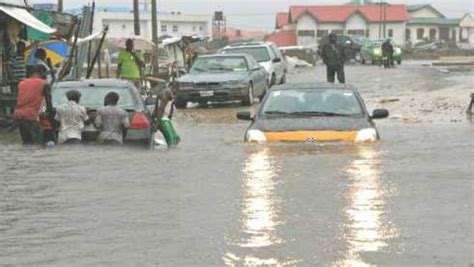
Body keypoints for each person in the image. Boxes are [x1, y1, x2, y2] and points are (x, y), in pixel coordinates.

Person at [13, 65, 53, 145]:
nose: (46, 76)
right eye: (45, 73)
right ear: (41, 72)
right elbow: (48, 103)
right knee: (37, 144)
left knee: (26, 143)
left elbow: (20, 99)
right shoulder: (44, 83)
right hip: (33, 116)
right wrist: (50, 117)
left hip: (19, 116)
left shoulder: (21, 83)